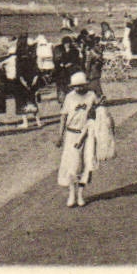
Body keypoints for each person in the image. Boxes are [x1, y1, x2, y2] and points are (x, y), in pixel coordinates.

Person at [55, 71, 101, 208]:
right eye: (76, 86)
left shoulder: (91, 95)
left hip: (87, 134)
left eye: (81, 86)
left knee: (87, 164)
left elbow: (99, 110)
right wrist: (60, 135)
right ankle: (71, 194)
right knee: (72, 165)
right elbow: (63, 117)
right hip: (71, 135)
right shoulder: (70, 98)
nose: (79, 88)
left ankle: (80, 194)